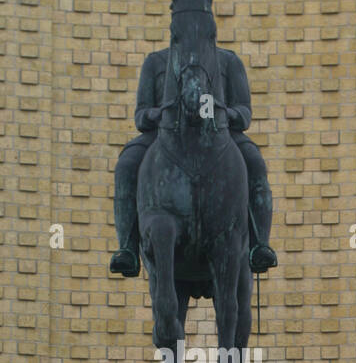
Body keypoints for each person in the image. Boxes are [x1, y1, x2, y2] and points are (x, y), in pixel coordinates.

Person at [110, 24, 278, 279]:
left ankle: (259, 244)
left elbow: (244, 113)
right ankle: (128, 248)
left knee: (254, 163)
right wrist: (158, 113)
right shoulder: (155, 62)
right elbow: (141, 115)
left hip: (220, 135)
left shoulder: (228, 61)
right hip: (164, 136)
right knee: (126, 166)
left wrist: (224, 111)